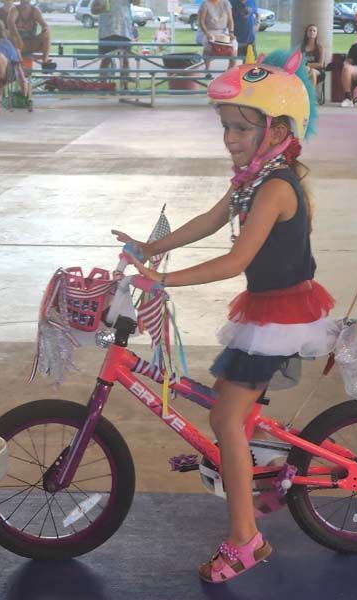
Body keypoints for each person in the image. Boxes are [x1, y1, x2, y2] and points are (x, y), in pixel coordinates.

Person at [112, 48, 333, 584]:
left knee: (225, 418)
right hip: (265, 310)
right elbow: (212, 220)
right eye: (226, 128)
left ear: (278, 131)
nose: (231, 139)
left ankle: (246, 538)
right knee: (227, 410)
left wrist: (163, 279)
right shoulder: (253, 178)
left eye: (241, 128)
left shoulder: (276, 187)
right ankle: (255, 471)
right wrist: (152, 244)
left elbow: (236, 259)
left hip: (281, 315)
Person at [91, 0, 135, 76]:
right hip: (106, 31)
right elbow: (93, 10)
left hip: (124, 30)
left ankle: (125, 86)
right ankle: (103, 85)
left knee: (125, 60)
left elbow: (136, 2)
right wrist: (101, 8)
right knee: (105, 60)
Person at [8, 0, 51, 66]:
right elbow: (10, 23)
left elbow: (44, 25)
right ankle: (20, 63)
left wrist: (46, 29)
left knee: (47, 34)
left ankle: (45, 63)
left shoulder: (35, 11)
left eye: (27, 1)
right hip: (19, 45)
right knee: (13, 38)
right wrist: (18, 38)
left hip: (32, 43)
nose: (25, 3)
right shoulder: (14, 10)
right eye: (24, 1)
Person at [196, 0, 236, 71]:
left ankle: (231, 68)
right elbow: (201, 22)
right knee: (208, 41)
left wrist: (231, 33)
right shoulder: (205, 4)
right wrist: (207, 33)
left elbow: (230, 20)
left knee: (234, 43)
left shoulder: (226, 3)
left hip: (223, 31)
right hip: (207, 30)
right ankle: (207, 69)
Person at [302, 23, 324, 89]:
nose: (312, 32)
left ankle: (312, 95)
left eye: (314, 31)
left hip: (318, 71)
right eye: (310, 30)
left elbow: (320, 65)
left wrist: (308, 65)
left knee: (312, 71)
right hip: (305, 70)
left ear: (316, 33)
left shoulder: (320, 48)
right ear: (307, 33)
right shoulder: (302, 47)